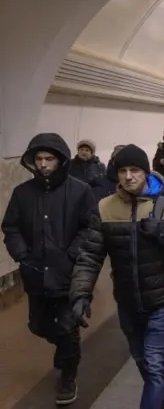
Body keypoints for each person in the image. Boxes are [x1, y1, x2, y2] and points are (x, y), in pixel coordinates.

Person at [70, 144, 164, 409]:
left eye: (134, 170)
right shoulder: (105, 208)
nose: (128, 176)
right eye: (122, 171)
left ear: (146, 172)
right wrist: (80, 293)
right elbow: (90, 255)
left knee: (155, 364)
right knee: (143, 362)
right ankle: (160, 398)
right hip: (127, 301)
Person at [2, 133, 95, 407]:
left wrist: (72, 254)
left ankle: (68, 376)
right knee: (37, 325)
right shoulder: (23, 194)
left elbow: (90, 226)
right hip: (35, 272)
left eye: (49, 159)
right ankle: (67, 350)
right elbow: (11, 227)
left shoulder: (80, 191)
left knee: (67, 327)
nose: (43, 164)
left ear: (61, 161)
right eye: (39, 159)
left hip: (68, 272)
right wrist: (21, 254)